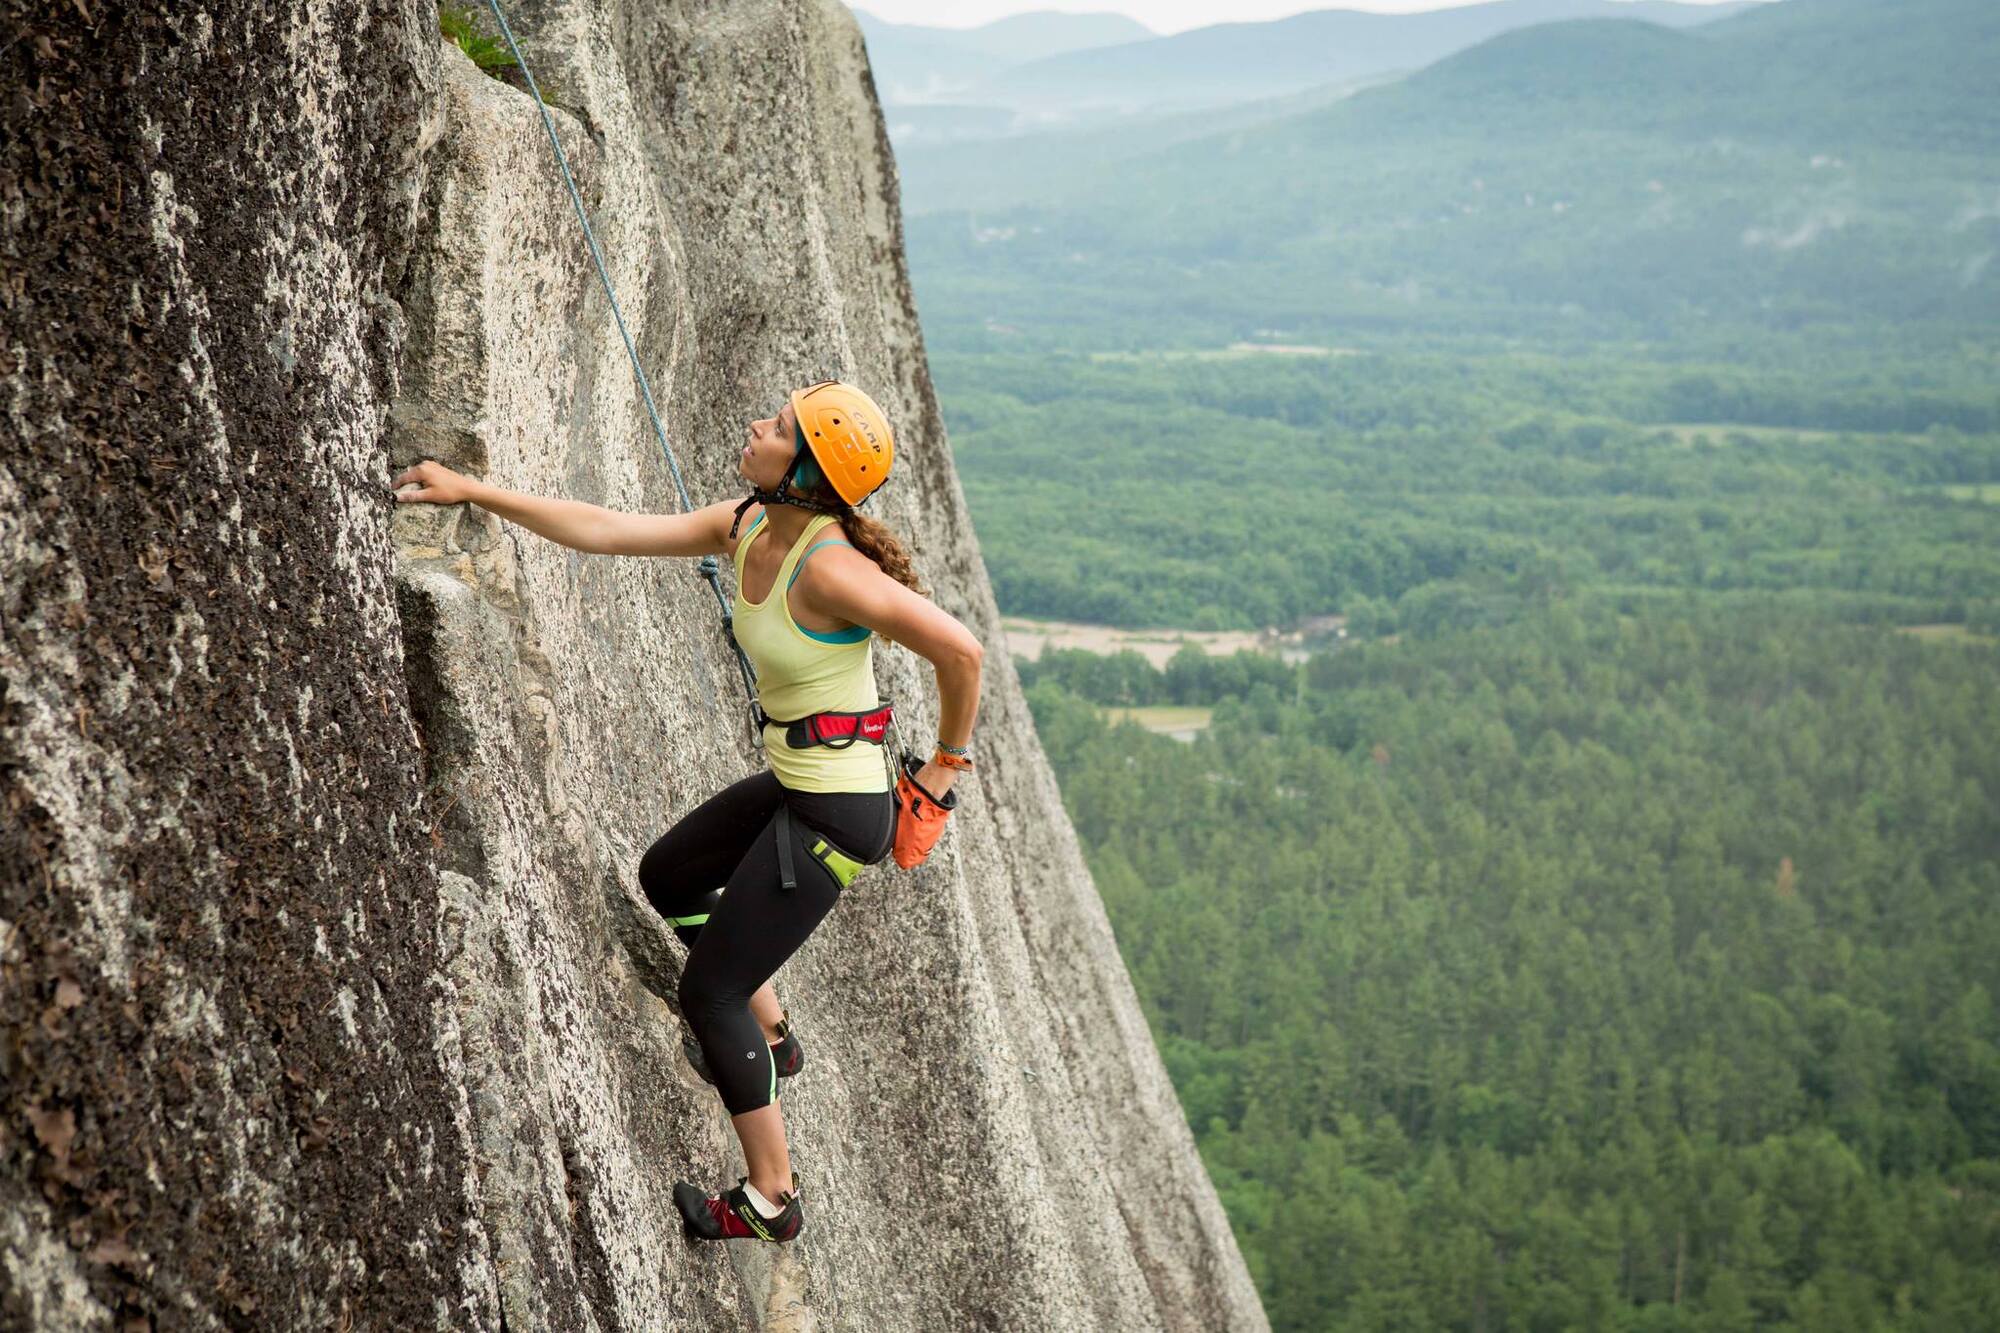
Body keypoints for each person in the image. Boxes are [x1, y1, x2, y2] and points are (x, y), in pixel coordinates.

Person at [391, 380, 983, 1243]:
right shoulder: (747, 523)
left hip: (840, 815)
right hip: (799, 785)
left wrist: (942, 769)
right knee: (670, 877)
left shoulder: (832, 569)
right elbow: (610, 529)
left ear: (810, 475)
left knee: (712, 991)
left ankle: (771, 1198)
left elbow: (961, 650)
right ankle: (774, 1043)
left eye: (779, 428)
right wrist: (476, 490)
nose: (755, 425)